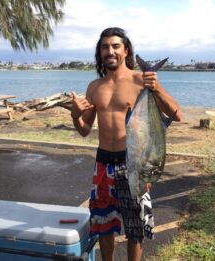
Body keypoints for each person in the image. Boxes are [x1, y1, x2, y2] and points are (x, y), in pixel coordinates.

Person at [70, 27, 182, 261]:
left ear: (126, 50)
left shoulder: (140, 80)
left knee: (135, 228)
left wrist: (157, 87)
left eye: (115, 46)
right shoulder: (94, 87)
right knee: (103, 224)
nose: (109, 51)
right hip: (103, 164)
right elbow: (84, 130)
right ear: (99, 53)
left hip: (133, 163)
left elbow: (177, 114)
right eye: (104, 47)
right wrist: (74, 115)